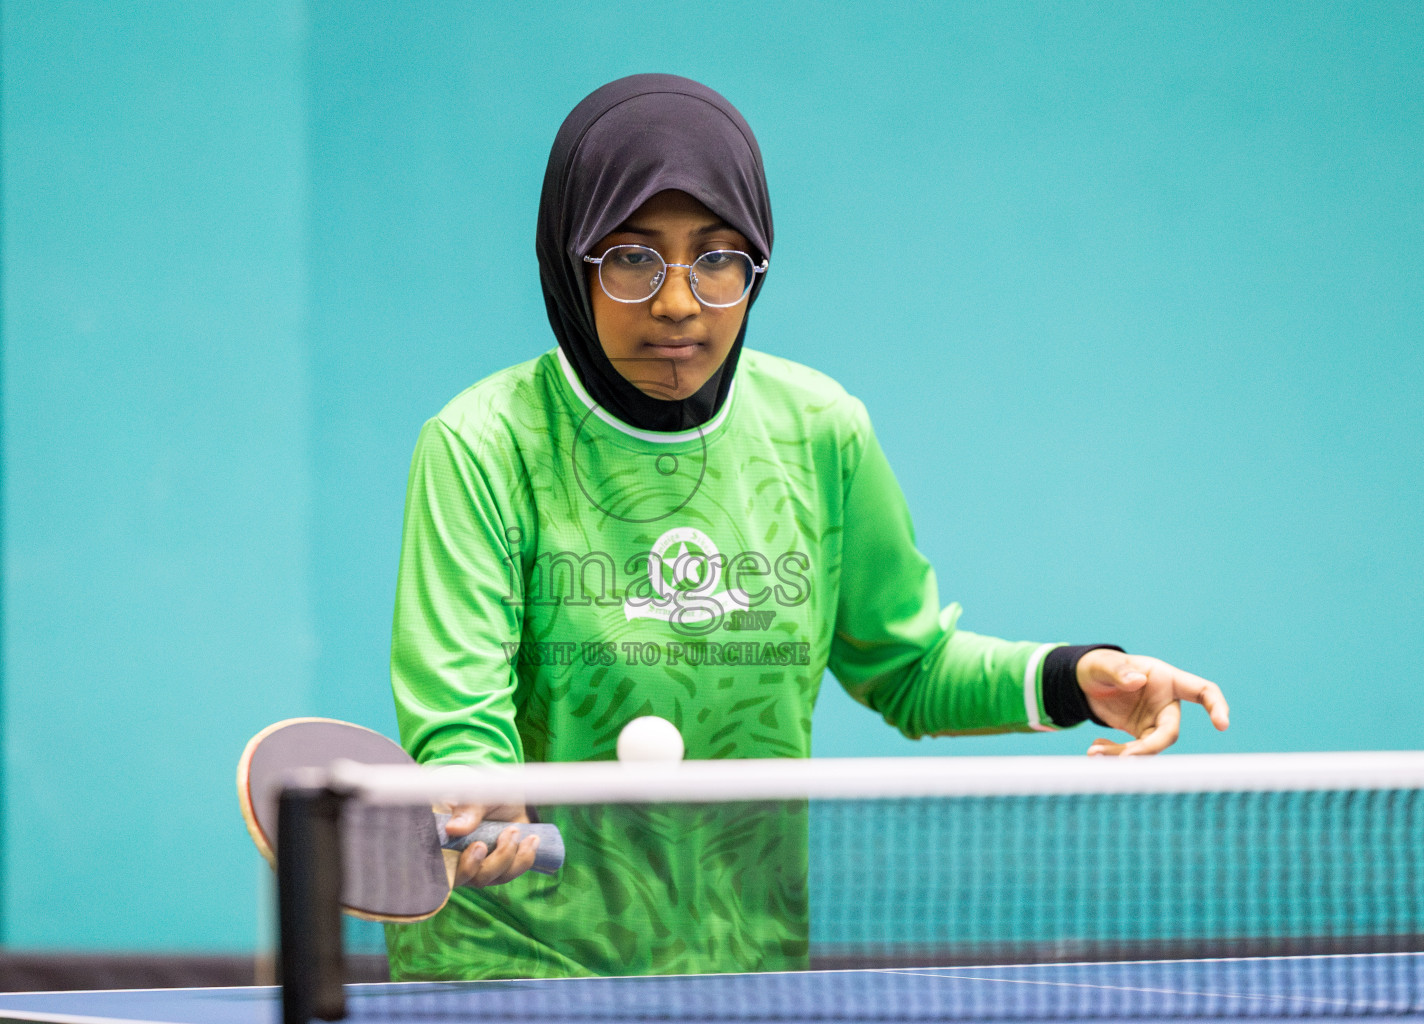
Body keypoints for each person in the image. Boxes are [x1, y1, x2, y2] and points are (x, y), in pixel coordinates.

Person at [385, 74, 1230, 980]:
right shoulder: (483, 444)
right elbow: (460, 714)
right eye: (632, 256)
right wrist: (483, 792)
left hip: (739, 961)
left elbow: (908, 666)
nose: (678, 303)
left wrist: (1077, 677)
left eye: (717, 258)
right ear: (569, 256)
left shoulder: (818, 430)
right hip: (517, 969)